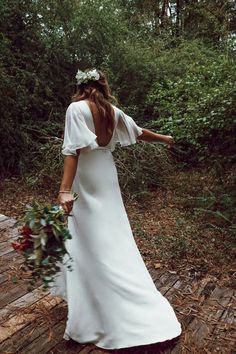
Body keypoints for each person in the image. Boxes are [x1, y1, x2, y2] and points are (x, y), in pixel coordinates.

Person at [49, 69, 182, 350]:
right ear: (102, 85)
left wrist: (64, 190)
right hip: (106, 176)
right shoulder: (112, 111)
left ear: (80, 87)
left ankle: (100, 307)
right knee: (112, 234)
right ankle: (99, 296)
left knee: (88, 239)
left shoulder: (76, 109)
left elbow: (72, 151)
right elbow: (140, 132)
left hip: (87, 178)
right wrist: (165, 138)